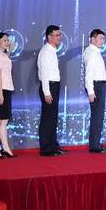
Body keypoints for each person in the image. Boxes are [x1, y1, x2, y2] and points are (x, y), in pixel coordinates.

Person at [37, 25, 68, 156]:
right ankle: (46, 148)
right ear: (49, 37)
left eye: (60, 35)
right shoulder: (46, 51)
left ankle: (53, 145)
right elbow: (44, 73)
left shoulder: (52, 51)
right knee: (48, 118)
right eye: (57, 35)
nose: (59, 37)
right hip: (49, 86)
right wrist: (47, 92)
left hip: (54, 85)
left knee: (53, 117)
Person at [0, 32, 16, 159]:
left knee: (4, 120)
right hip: (0, 90)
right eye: (4, 40)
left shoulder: (4, 55)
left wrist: (9, 49)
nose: (7, 42)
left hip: (7, 89)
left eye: (7, 40)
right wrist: (0, 94)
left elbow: (6, 67)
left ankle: (5, 147)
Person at [84, 29, 106, 153]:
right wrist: (91, 91)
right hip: (96, 86)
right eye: (100, 38)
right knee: (97, 117)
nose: (102, 41)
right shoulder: (92, 53)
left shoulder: (94, 51)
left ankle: (95, 144)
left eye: (103, 39)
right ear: (93, 39)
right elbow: (88, 74)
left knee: (97, 116)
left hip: (98, 85)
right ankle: (94, 146)